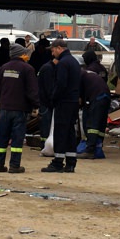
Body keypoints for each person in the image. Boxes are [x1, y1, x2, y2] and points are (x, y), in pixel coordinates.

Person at [0, 43, 39, 174]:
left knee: (3, 137)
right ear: (21, 54)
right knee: (17, 139)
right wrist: (37, 105)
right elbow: (32, 91)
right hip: (20, 109)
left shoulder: (4, 68)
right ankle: (14, 166)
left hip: (5, 109)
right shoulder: (27, 69)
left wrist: (0, 104)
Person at [41, 38, 82, 173]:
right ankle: (71, 162)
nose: (52, 54)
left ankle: (57, 162)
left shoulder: (62, 63)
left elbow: (60, 84)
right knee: (70, 132)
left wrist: (53, 98)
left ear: (59, 48)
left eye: (53, 51)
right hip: (73, 102)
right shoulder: (74, 62)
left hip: (63, 102)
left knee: (60, 132)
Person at [78, 60, 110, 160]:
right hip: (105, 96)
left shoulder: (78, 76)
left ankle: (90, 151)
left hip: (97, 98)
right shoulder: (87, 74)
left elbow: (79, 96)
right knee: (100, 125)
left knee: (92, 125)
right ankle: (97, 148)